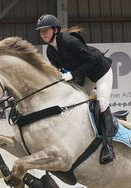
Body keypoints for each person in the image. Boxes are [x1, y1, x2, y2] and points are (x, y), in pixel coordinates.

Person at [36, 14, 116, 164]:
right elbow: (57, 71)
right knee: (73, 103)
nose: (43, 34)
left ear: (55, 30)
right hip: (85, 75)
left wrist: (71, 74)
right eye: (41, 31)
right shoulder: (50, 51)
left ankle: (108, 147)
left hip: (100, 72)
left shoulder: (69, 41)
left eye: (46, 30)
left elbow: (91, 60)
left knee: (102, 104)